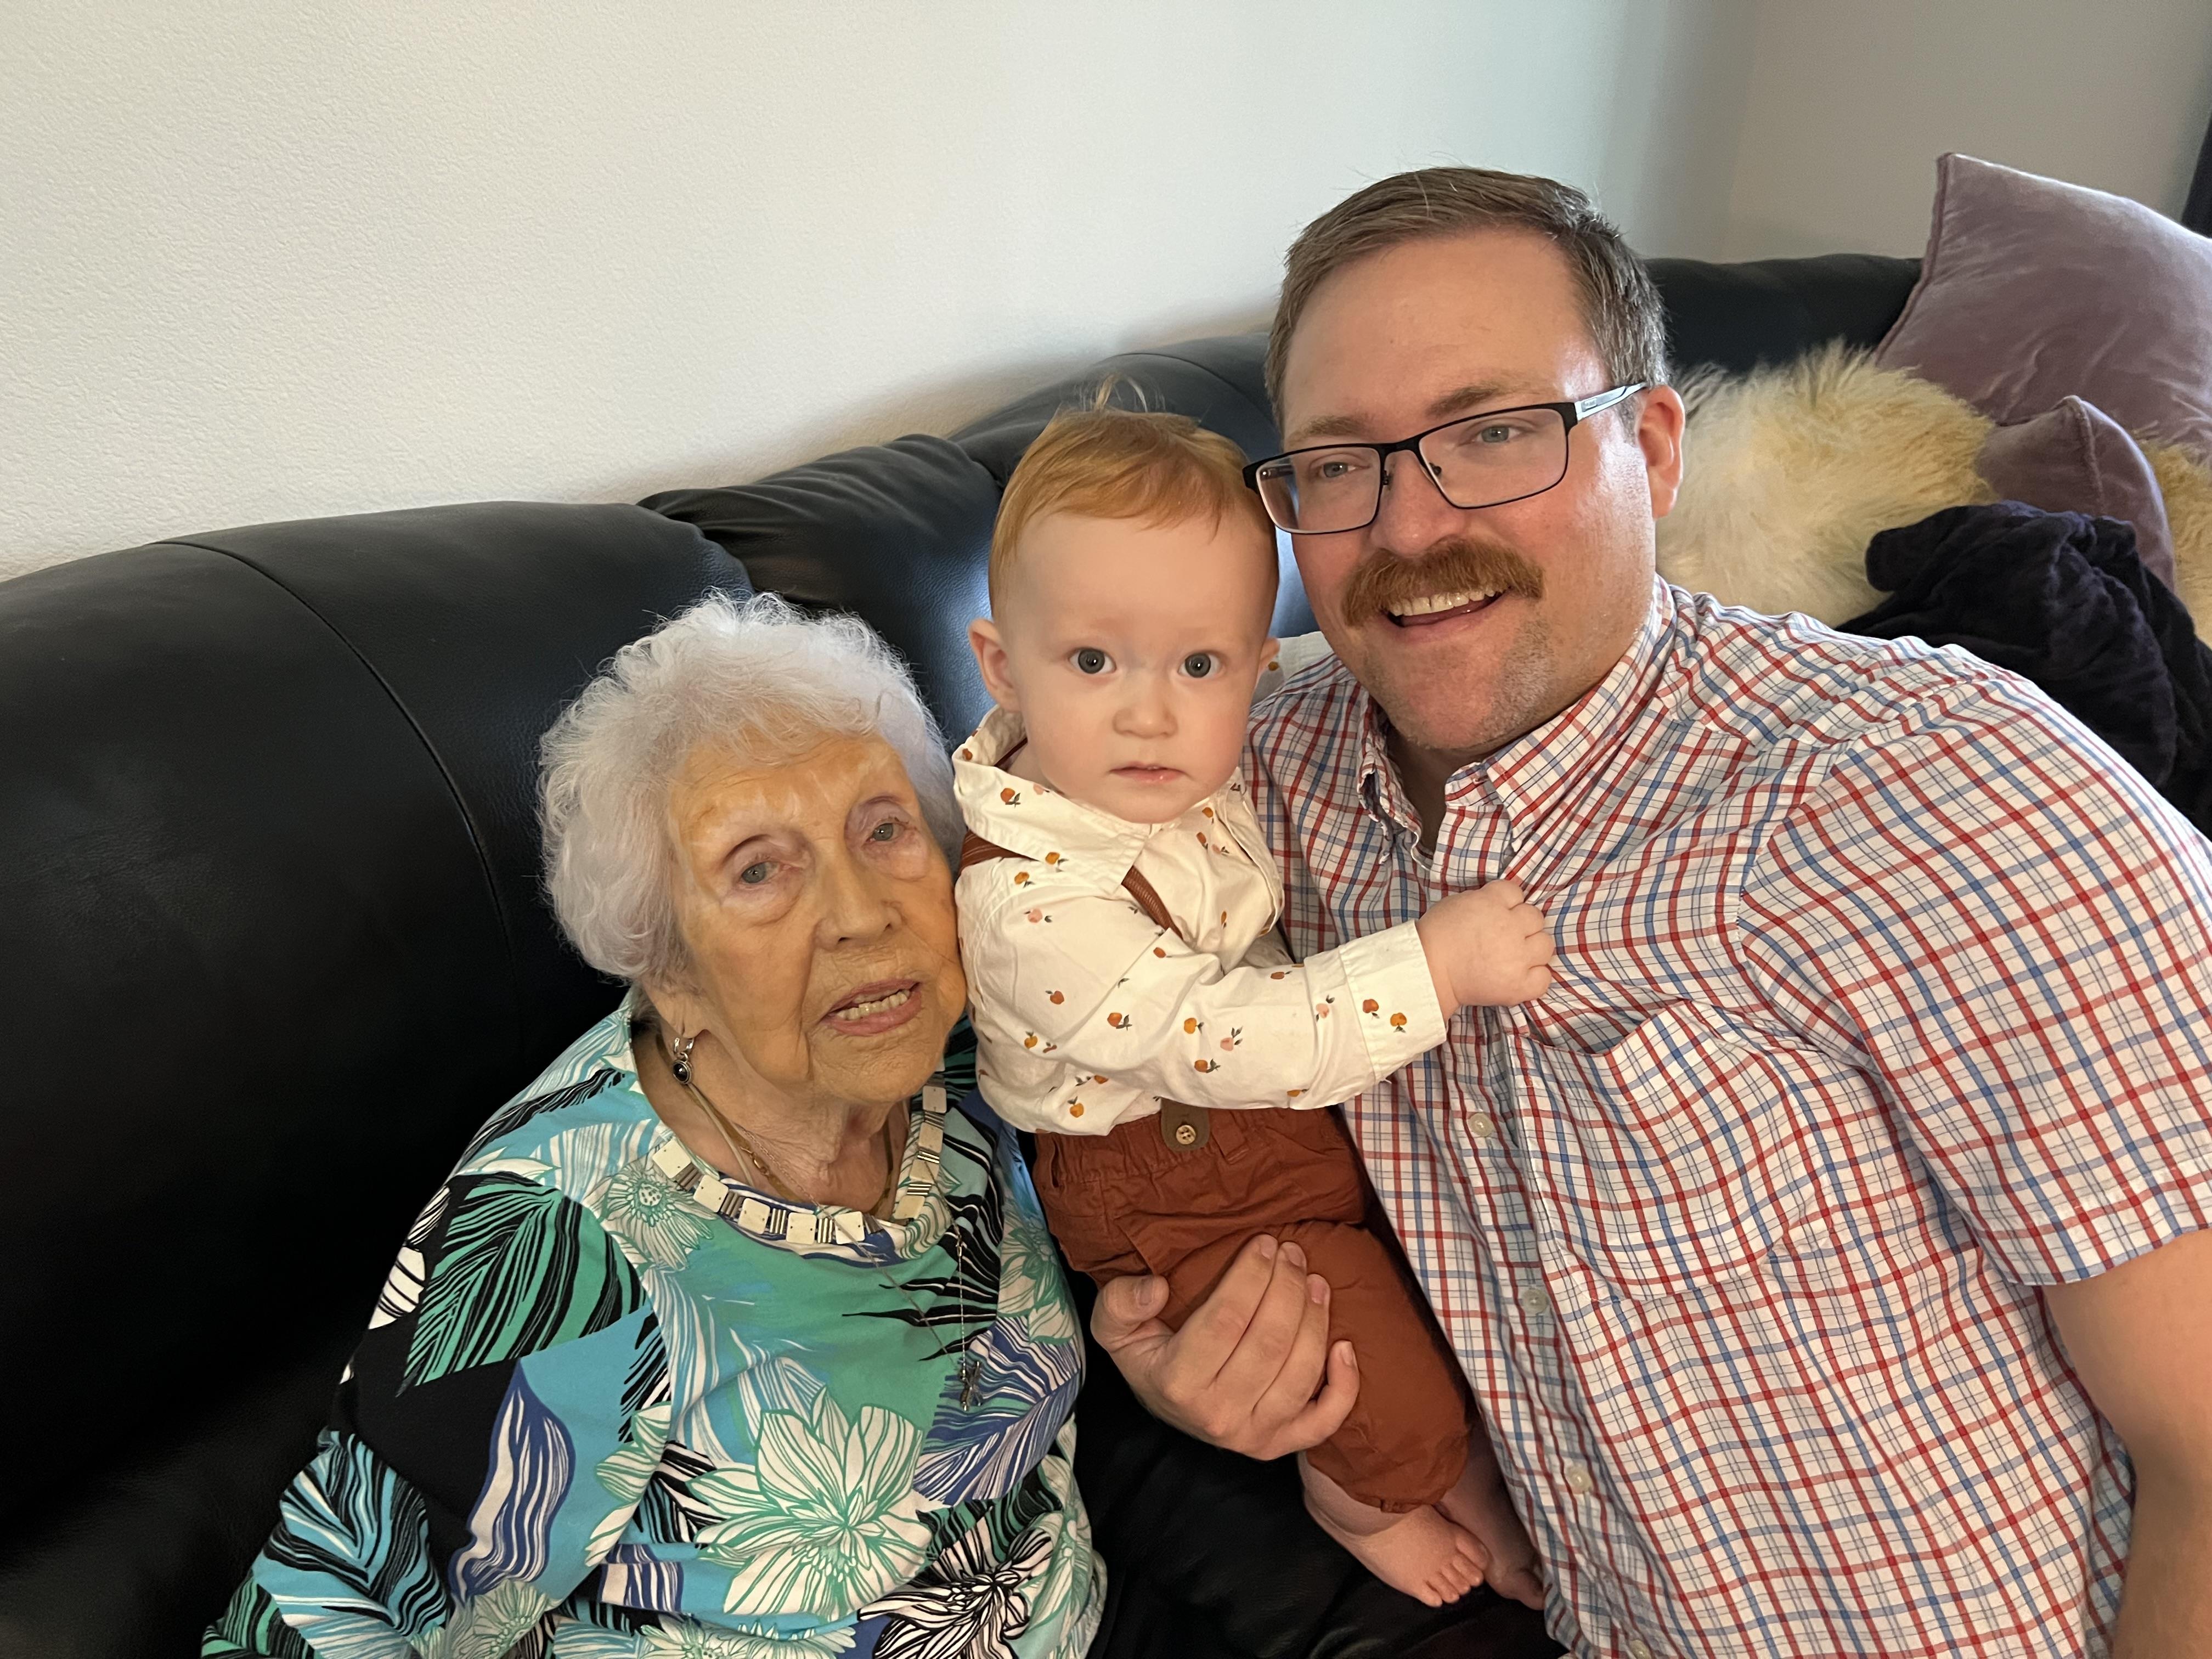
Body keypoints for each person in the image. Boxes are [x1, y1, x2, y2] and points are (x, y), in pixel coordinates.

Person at [1092, 166, 2212, 1658]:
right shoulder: (1248, 795)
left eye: (1497, 434)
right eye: (1343, 465)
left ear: (1657, 446)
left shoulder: (1942, 794)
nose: (1412, 528)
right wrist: (1217, 1366)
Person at [205, 594, 1104, 1659]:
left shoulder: (958, 1050)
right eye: (758, 869)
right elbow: (325, 1626)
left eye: (883, 828)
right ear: (668, 970)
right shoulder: (559, 1248)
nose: (863, 913)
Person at [952, 403, 1554, 1606]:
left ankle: (1459, 1463)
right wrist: (1433, 967)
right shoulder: (1026, 904)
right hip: (1168, 1175)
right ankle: (1367, 1495)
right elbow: (1215, 1039)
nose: (1149, 711)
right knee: (1368, 1377)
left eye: (1199, 664)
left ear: (1255, 667)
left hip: (1272, 1138)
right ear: (1002, 666)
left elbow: (1351, 658)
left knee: (1442, 1305)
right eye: (1091, 662)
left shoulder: (1190, 755)